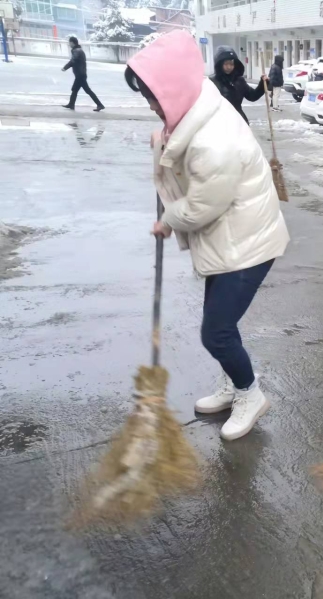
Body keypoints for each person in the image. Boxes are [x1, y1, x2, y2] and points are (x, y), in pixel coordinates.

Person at [125, 31, 290, 441]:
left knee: (216, 331)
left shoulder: (213, 140)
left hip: (248, 245)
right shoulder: (196, 112)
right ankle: (235, 384)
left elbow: (202, 206)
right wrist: (163, 144)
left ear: (173, 90)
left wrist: (169, 219)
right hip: (229, 240)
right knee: (220, 327)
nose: (151, 105)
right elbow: (184, 162)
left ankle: (250, 394)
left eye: (153, 97)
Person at [209, 45, 268, 124]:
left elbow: (252, 96)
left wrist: (263, 84)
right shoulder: (212, 82)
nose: (229, 67)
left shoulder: (239, 81)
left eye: (231, 64)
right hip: (219, 122)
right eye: (226, 64)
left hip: (239, 121)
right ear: (219, 64)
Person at [62, 36, 104, 112]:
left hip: (80, 75)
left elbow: (73, 61)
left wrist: (65, 67)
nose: (69, 44)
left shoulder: (77, 51)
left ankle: (100, 105)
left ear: (73, 43)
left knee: (87, 90)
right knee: (75, 89)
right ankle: (71, 104)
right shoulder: (78, 50)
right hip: (80, 74)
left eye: (70, 42)